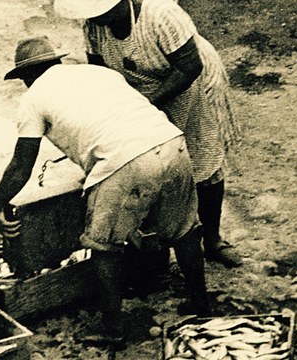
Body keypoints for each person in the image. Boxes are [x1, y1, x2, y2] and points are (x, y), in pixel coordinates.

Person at [0, 35, 210, 346]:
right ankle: (201, 301)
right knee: (185, 229)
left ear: (26, 76)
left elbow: (21, 164)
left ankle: (113, 328)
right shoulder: (99, 73)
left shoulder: (33, 98)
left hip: (125, 161)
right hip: (171, 143)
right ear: (55, 61)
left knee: (103, 246)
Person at [54, 0, 243, 267]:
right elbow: (101, 73)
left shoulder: (161, 14)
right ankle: (159, 244)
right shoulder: (95, 26)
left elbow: (190, 66)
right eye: (93, 16)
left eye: (103, 13)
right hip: (141, 86)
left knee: (203, 164)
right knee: (151, 160)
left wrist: (147, 105)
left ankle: (212, 240)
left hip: (190, 79)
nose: (99, 20)